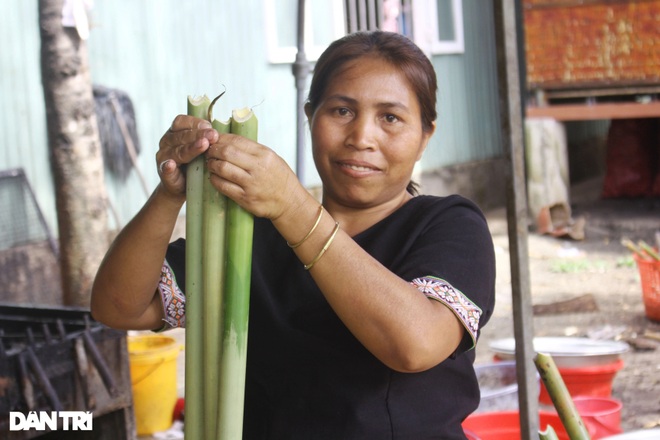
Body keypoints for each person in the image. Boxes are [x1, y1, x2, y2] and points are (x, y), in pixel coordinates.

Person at [91, 30, 496, 439]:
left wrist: (293, 207)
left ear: (426, 134)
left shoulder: (450, 225)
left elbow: (415, 344)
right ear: (310, 116)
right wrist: (169, 193)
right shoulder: (245, 233)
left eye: (390, 118)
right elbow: (119, 307)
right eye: (341, 111)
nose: (361, 138)